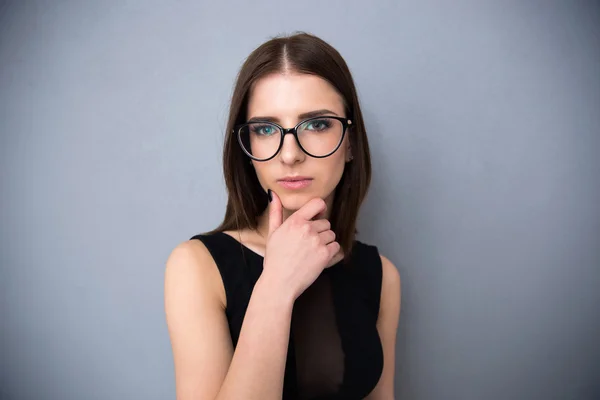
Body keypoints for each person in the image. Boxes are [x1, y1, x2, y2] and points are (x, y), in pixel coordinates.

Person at [164, 32, 401, 400]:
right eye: (265, 128)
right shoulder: (197, 267)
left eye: (317, 124)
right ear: (247, 147)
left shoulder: (381, 275)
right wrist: (276, 286)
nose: (289, 154)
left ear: (351, 142)